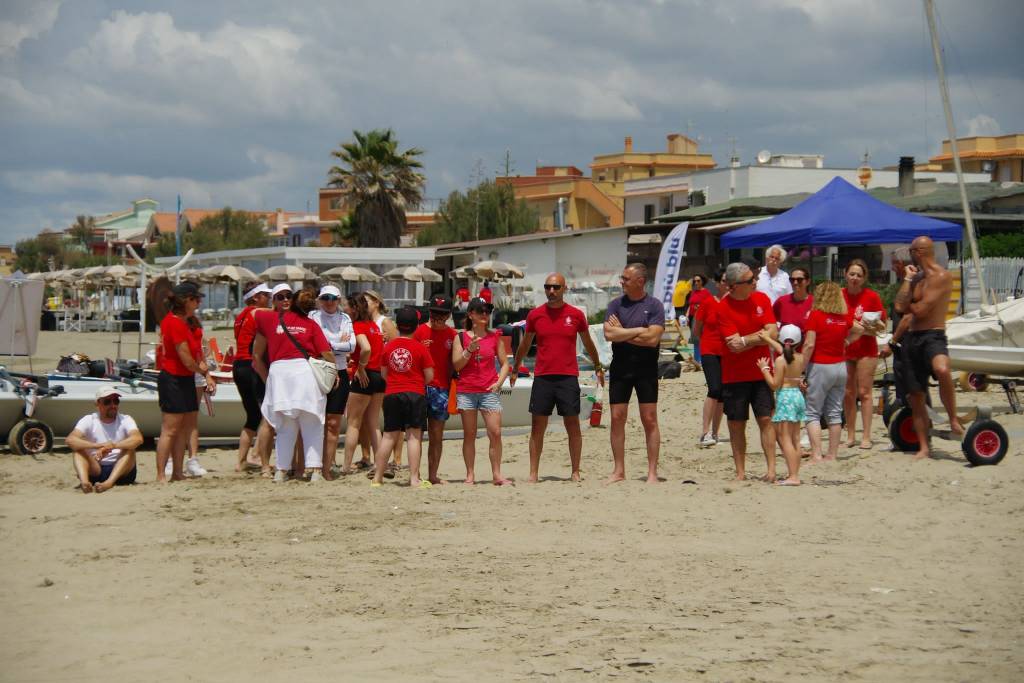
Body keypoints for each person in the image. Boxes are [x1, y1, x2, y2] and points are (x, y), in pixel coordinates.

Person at [510, 272, 604, 483]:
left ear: (564, 289)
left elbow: (588, 342)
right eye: (548, 287)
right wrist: (515, 367)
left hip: (568, 377)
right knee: (537, 426)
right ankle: (533, 473)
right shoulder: (535, 315)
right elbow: (525, 343)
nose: (551, 291)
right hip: (543, 377)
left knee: (573, 424)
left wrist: (598, 366)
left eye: (555, 287)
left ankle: (575, 472)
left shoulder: (576, 315)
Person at [252, 285, 337, 483]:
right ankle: (315, 470)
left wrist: (272, 305)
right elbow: (326, 352)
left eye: (288, 296)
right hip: (303, 372)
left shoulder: (270, 319)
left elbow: (254, 313)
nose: (285, 299)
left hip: (279, 374)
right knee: (312, 423)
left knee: (284, 425)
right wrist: (333, 369)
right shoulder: (310, 324)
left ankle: (281, 470)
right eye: (281, 297)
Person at [894, 235, 963, 460]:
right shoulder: (916, 279)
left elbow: (921, 310)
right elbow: (899, 306)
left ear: (918, 252)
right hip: (912, 337)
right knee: (916, 395)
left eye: (911, 251)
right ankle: (924, 447)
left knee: (942, 369)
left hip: (933, 334)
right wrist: (907, 279)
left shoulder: (941, 276)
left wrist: (909, 305)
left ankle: (953, 418)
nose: (909, 256)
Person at [603, 263, 665, 485]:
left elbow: (652, 339)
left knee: (649, 420)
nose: (622, 282)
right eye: (622, 278)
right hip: (620, 367)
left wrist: (623, 332)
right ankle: (619, 471)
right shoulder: (616, 304)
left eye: (625, 279)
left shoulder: (654, 305)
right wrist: (639, 330)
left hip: (646, 368)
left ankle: (652, 473)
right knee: (616, 418)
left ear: (640, 281)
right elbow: (609, 334)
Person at [717, 262, 778, 482]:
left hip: (762, 371)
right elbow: (734, 346)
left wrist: (745, 340)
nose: (756, 281)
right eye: (751, 279)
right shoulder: (723, 307)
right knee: (736, 423)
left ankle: (771, 470)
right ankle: (741, 472)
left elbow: (774, 333)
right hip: (734, 374)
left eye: (755, 277)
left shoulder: (762, 299)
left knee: (766, 419)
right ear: (735, 286)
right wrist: (761, 336)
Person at [801, 281, 865, 463]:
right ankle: (832, 455)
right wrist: (846, 342)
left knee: (812, 413)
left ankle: (816, 455)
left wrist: (801, 370)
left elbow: (809, 344)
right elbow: (860, 329)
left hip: (820, 366)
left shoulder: (816, 315)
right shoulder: (843, 317)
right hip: (840, 367)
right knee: (835, 413)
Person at [371, 307, 434, 488]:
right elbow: (429, 376)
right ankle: (414, 479)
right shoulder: (421, 348)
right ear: (416, 326)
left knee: (388, 437)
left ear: (397, 326)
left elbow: (384, 374)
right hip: (415, 393)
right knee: (413, 437)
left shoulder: (388, 347)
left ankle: (377, 478)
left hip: (392, 393)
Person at [452, 297, 512, 485]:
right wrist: (469, 350)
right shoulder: (460, 337)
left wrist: (499, 383)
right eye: (480, 310)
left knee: (495, 432)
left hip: (489, 390)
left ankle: (497, 474)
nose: (485, 314)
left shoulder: (495, 337)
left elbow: (505, 363)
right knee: (470, 434)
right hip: (467, 390)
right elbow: (457, 365)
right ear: (470, 314)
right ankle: (470, 474)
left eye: (488, 311)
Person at [156, 282, 207, 484]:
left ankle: (177, 472)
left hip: (185, 377)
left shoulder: (183, 322)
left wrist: (200, 370)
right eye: (195, 299)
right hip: (173, 377)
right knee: (170, 430)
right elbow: (185, 358)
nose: (199, 302)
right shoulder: (175, 323)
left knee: (182, 428)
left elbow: (193, 354)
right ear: (186, 301)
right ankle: (161, 475)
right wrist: (202, 370)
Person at [310, 284, 355, 481]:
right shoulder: (313, 316)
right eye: (325, 298)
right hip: (317, 370)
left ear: (338, 300)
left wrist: (327, 346)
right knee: (313, 420)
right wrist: (338, 345)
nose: (329, 302)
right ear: (319, 299)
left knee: (334, 423)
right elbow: (313, 345)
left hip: (340, 371)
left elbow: (352, 346)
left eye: (333, 298)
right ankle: (312, 465)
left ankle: (326, 468)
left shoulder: (345, 318)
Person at [842, 259, 887, 449]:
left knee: (865, 392)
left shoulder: (871, 296)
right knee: (848, 394)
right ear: (845, 275)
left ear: (864, 278)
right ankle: (851, 436)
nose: (854, 278)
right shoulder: (839, 295)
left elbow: (883, 323)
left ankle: (866, 436)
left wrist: (873, 327)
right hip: (845, 349)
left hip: (866, 349)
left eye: (858, 275)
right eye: (852, 274)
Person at [414, 294, 458, 485]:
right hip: (419, 386)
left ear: (449, 315)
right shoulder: (419, 331)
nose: (437, 318)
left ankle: (433, 474)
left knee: (436, 436)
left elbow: (454, 364)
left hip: (441, 388)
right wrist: (418, 349)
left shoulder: (453, 335)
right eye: (434, 314)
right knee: (415, 434)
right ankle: (415, 474)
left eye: (442, 315)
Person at [341, 292, 386, 474]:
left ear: (353, 308)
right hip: (379, 376)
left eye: (345, 305)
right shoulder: (374, 326)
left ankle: (346, 465)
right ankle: (379, 463)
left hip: (366, 375)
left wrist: (360, 368)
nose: (343, 308)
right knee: (374, 422)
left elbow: (365, 348)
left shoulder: (358, 326)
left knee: (353, 423)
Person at [67, 387, 143, 493]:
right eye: (107, 402)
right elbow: (70, 440)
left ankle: (108, 483)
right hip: (95, 468)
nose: (113, 405)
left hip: (122, 470)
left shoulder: (125, 419)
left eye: (116, 401)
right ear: (97, 405)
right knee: (79, 448)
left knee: (129, 448)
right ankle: (85, 482)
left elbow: (138, 438)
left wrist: (112, 446)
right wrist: (97, 446)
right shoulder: (89, 420)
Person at [757, 325, 806, 486]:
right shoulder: (800, 357)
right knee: (795, 438)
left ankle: (793, 476)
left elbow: (775, 385)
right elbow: (784, 350)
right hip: (797, 396)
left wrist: (764, 369)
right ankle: (795, 473)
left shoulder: (780, 361)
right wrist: (768, 339)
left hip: (785, 398)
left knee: (785, 439)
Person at [232, 282, 272, 474]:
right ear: (255, 297)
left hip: (238, 366)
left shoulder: (241, 315)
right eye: (266, 295)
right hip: (251, 365)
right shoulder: (258, 313)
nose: (270, 299)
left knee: (253, 416)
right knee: (267, 416)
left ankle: (241, 461)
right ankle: (257, 456)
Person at [364, 289, 402, 471]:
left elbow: (397, 346)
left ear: (376, 302)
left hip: (386, 373)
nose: (364, 305)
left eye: (366, 301)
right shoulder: (364, 322)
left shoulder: (384, 322)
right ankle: (369, 456)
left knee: (391, 416)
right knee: (368, 417)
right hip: (371, 370)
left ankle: (397, 458)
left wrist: (386, 340)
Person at [692, 268, 728, 447]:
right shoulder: (708, 303)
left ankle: (715, 433)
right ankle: (704, 433)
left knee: (722, 394)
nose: (728, 284)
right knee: (714, 389)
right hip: (709, 351)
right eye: (724, 281)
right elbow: (696, 329)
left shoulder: (734, 303)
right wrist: (707, 342)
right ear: (717, 283)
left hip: (727, 353)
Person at [772, 267, 814, 333]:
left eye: (799, 280)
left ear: (808, 281)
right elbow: (770, 320)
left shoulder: (815, 303)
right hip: (784, 338)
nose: (795, 282)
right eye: (792, 279)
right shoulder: (782, 301)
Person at [686, 274, 712, 367]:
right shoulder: (693, 293)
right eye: (695, 281)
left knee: (701, 337)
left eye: (698, 281)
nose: (696, 283)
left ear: (702, 281)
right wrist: (687, 314)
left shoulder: (706, 292)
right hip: (692, 317)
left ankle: (702, 359)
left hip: (702, 318)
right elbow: (690, 304)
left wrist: (700, 308)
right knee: (694, 339)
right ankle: (697, 359)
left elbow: (709, 305)